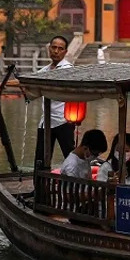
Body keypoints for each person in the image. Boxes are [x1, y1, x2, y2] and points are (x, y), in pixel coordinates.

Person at [33, 36, 76, 169]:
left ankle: (77, 185)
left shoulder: (67, 69)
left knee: (70, 157)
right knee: (40, 159)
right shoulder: (45, 70)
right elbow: (30, 81)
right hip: (45, 121)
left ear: (65, 52)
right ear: (49, 48)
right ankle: (39, 187)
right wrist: (6, 84)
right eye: (54, 47)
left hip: (63, 121)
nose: (56, 51)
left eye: (60, 48)